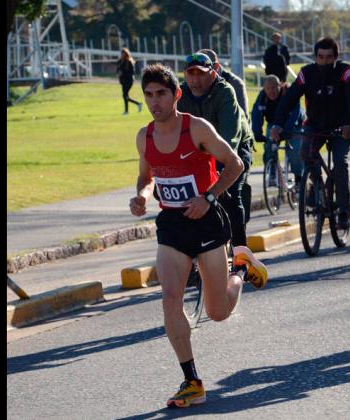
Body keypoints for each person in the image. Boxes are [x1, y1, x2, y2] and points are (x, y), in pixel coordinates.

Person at [128, 63, 268, 408]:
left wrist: (208, 198)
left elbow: (235, 164)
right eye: (148, 95)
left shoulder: (197, 129)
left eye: (161, 94)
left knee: (217, 312)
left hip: (206, 223)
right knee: (170, 299)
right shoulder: (144, 136)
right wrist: (143, 197)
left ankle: (240, 269)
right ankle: (192, 380)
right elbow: (147, 177)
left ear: (176, 95)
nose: (155, 101)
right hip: (172, 226)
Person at [271, 37, 350, 230]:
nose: (324, 61)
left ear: (336, 57)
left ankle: (344, 211)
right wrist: (277, 124)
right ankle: (316, 186)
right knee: (305, 153)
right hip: (314, 125)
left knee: (340, 163)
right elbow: (288, 100)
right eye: (320, 57)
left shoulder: (345, 72)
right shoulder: (306, 73)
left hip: (341, 127)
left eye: (329, 57)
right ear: (315, 57)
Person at [177, 53, 254, 247]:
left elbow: (230, 138)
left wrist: (220, 170)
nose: (195, 80)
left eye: (201, 74)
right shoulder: (181, 94)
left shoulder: (225, 92)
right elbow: (175, 131)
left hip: (235, 145)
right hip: (202, 149)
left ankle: (240, 254)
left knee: (231, 191)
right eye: (190, 74)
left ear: (212, 74)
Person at [251, 75, 305, 186]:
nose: (271, 91)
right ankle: (271, 170)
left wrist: (287, 130)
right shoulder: (262, 97)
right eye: (268, 89)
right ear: (264, 89)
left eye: (274, 88)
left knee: (294, 151)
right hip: (273, 124)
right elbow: (256, 114)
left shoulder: (288, 92)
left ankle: (298, 177)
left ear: (279, 86)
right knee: (269, 146)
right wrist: (257, 132)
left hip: (294, 124)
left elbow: (295, 113)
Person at [197, 49, 249, 115]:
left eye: (202, 70)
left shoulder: (235, 84)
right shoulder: (192, 83)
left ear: (216, 67)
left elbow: (243, 119)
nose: (196, 76)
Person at [116, 48, 142, 115]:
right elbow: (118, 70)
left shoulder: (129, 62)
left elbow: (132, 72)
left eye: (123, 53)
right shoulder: (120, 61)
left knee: (125, 95)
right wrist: (118, 73)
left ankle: (128, 110)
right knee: (125, 96)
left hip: (129, 80)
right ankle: (133, 107)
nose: (122, 55)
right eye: (121, 53)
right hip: (123, 81)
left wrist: (123, 73)